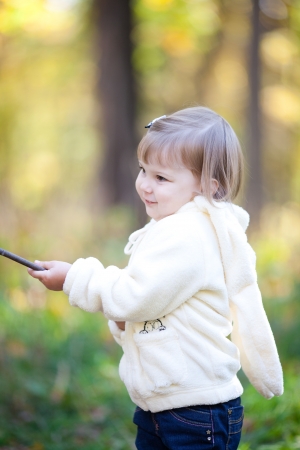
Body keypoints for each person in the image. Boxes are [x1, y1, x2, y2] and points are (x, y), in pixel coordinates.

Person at [28, 107, 283, 450]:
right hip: (167, 405)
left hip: (194, 411)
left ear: (209, 186)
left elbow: (136, 295)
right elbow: (151, 304)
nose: (145, 184)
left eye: (161, 178)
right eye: (143, 170)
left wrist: (75, 278)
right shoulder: (174, 228)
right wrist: (122, 318)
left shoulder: (189, 235)